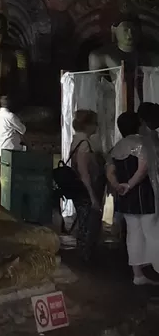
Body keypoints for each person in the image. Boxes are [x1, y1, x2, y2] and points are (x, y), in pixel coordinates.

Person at [107, 105, 159, 285]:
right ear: (138, 125)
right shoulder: (143, 143)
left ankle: (138, 275)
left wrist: (118, 186)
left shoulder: (117, 146)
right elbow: (143, 168)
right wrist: (129, 185)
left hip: (125, 197)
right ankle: (156, 268)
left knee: (133, 233)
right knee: (153, 232)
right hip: (144, 195)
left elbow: (110, 170)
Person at [65, 109, 105, 262]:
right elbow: (84, 173)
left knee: (84, 222)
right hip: (86, 190)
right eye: (95, 123)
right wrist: (93, 196)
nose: (97, 126)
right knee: (87, 223)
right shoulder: (85, 144)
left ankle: (85, 255)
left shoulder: (78, 140)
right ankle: (86, 257)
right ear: (87, 125)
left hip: (80, 190)